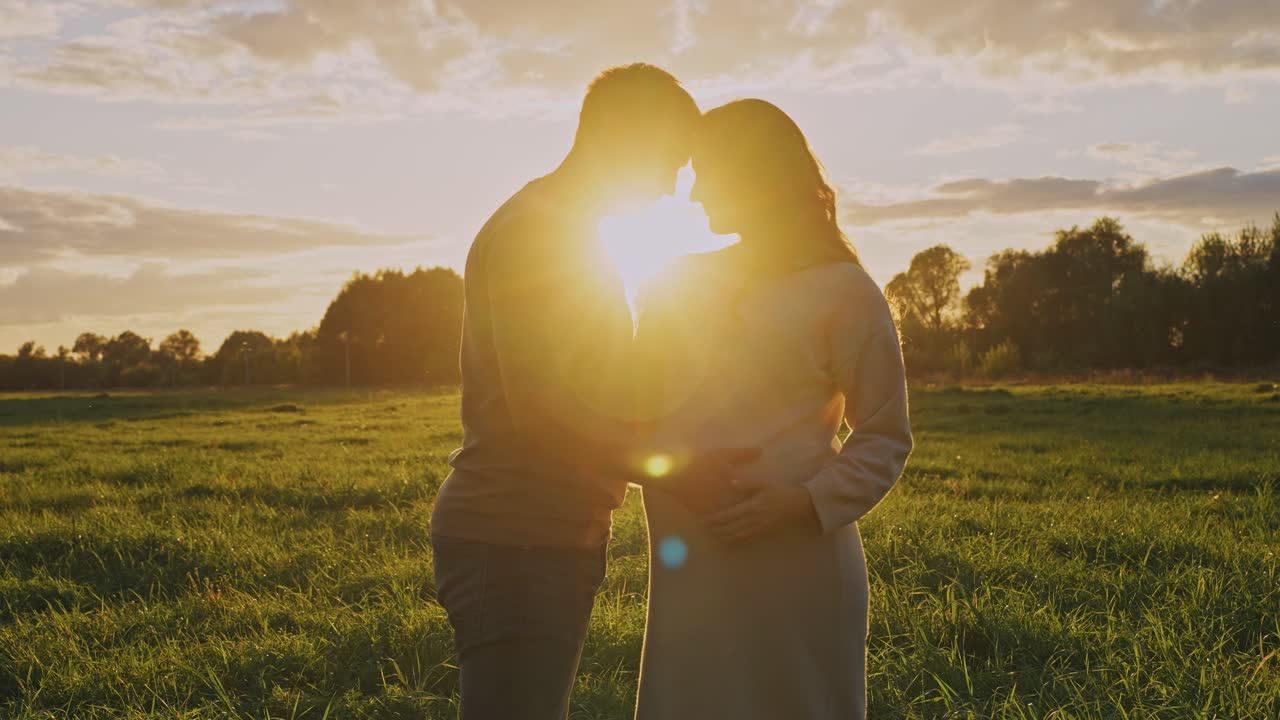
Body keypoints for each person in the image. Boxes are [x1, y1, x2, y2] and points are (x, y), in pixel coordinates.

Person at [429, 64, 757, 720]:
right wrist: (679, 474)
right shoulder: (539, 237)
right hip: (516, 538)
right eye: (670, 163)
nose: (672, 190)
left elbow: (601, 391)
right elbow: (542, 415)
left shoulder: (571, 236)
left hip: (540, 533)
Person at [631, 99, 914, 719]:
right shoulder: (674, 282)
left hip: (800, 562)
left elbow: (885, 435)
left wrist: (802, 503)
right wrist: (673, 470)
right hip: (693, 560)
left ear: (753, 172)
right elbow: (630, 413)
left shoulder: (845, 291)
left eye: (706, 172)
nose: (694, 194)